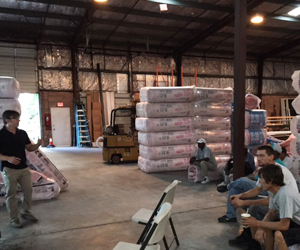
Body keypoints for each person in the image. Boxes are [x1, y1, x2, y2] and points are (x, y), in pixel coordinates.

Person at [218, 145, 297, 224]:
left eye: (262, 156)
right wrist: (240, 196)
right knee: (235, 191)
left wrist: (244, 202)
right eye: (257, 156)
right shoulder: (265, 170)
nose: (259, 159)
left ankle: (250, 232)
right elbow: (257, 190)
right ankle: (231, 216)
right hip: (273, 202)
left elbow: (269, 202)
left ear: (271, 157)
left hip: (285, 209)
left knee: (252, 202)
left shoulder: (278, 171)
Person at [0, 110, 42, 228]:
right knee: (11, 195)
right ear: (8, 121)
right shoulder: (1, 135)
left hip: (23, 168)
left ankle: (26, 212)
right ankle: (14, 219)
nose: (19, 121)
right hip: (9, 169)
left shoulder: (22, 133)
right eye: (16, 119)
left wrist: (37, 145)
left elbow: (29, 148)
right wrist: (8, 158)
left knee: (28, 191)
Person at [242, 164, 300, 250]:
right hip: (296, 223)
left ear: (271, 180)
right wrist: (261, 227)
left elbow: (284, 226)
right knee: (268, 226)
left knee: (279, 235)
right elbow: (271, 213)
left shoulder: (285, 195)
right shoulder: (274, 192)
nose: (259, 181)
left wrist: (257, 223)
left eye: (261, 178)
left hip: (296, 224)